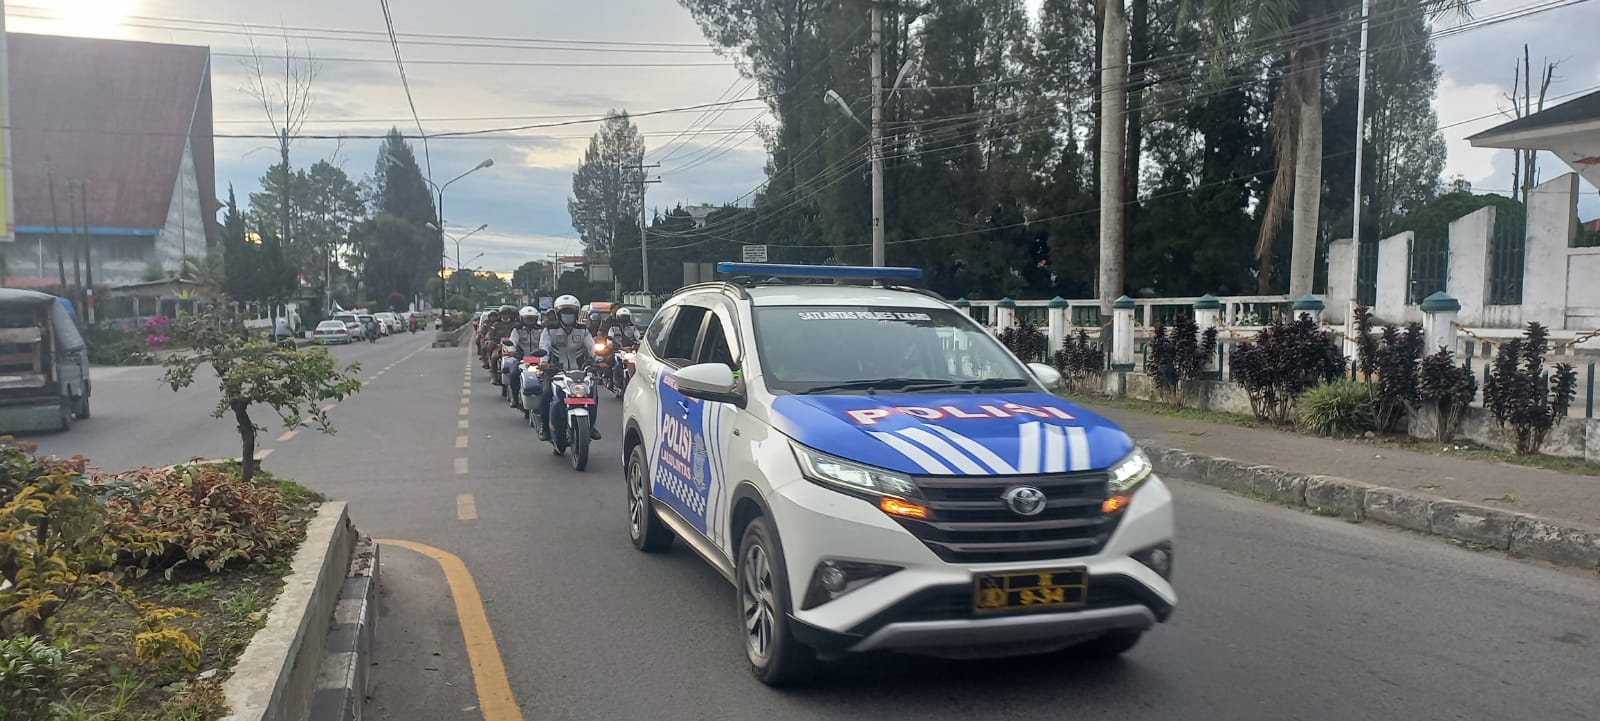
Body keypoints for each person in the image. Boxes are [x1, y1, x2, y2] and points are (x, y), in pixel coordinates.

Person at [537, 295, 602, 442]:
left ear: (576, 313)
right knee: (546, 394)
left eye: (571, 312)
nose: (568, 315)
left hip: (580, 372)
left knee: (592, 394)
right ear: (558, 313)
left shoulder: (583, 330)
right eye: (564, 312)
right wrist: (543, 361)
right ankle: (544, 427)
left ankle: (591, 427)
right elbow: (544, 347)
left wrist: (597, 359)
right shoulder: (549, 330)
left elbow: (591, 347)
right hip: (555, 371)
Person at [507, 306, 543, 410]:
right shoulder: (517, 330)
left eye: (532, 318)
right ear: (522, 319)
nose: (530, 320)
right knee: (513, 373)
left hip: (539, 360)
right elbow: (512, 342)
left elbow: (546, 343)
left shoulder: (542, 330)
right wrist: (511, 350)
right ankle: (514, 398)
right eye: (527, 318)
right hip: (522, 359)